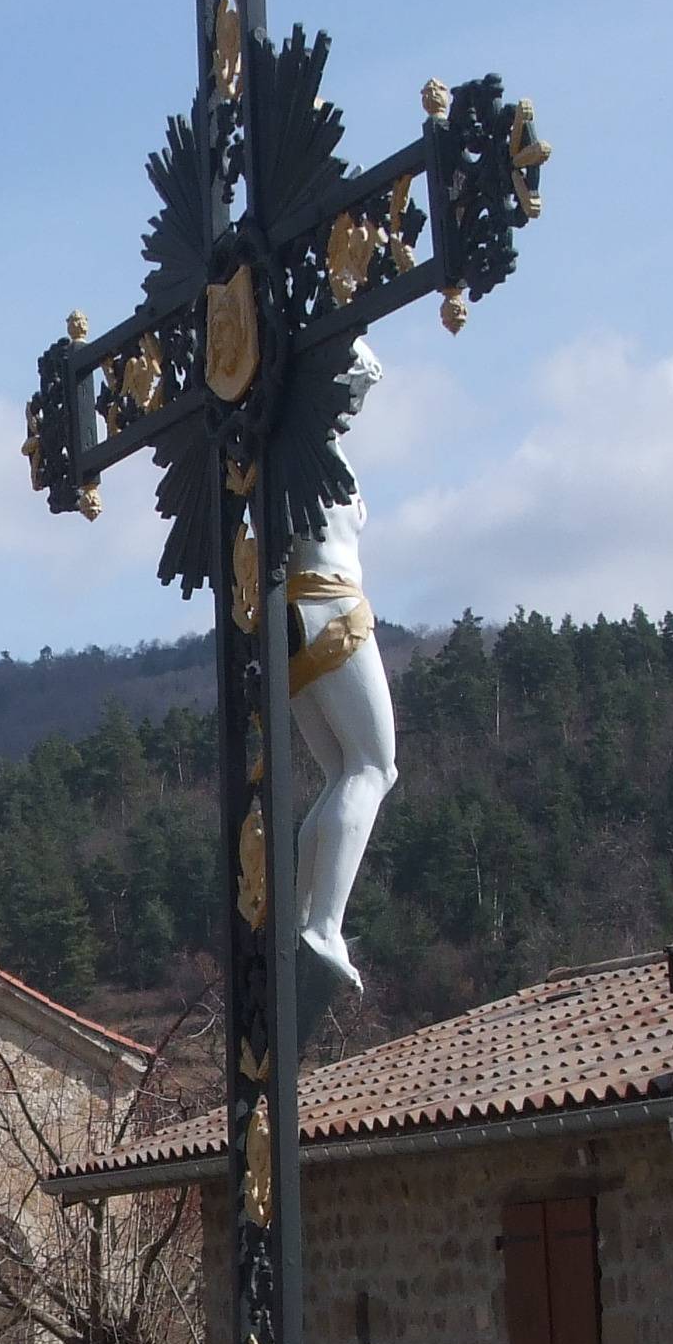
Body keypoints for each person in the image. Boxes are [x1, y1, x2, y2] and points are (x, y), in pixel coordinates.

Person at [282, 352, 395, 998]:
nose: (357, 401)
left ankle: (301, 920)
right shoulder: (309, 443)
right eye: (354, 386)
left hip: (294, 615)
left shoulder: (294, 445)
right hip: (331, 604)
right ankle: (324, 924)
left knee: (341, 772)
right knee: (375, 768)